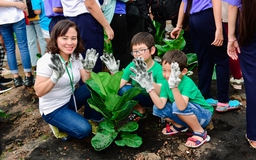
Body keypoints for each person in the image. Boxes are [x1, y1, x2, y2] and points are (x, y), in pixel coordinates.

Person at [130, 50, 213, 148]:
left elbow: (182, 107)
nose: (167, 75)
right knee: (157, 108)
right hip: (186, 114)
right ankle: (180, 125)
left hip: (203, 116)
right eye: (164, 70)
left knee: (176, 105)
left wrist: (174, 87)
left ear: (184, 71)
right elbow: (160, 105)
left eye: (171, 71)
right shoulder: (165, 83)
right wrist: (149, 87)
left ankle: (200, 132)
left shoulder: (187, 83)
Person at [170, 0, 240, 112]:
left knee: (204, 58)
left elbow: (184, 2)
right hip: (208, 17)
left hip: (194, 20)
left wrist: (179, 25)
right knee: (222, 58)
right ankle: (223, 101)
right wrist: (219, 29)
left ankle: (204, 97)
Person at [34, 20, 99, 139]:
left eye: (73, 38)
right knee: (84, 130)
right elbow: (39, 92)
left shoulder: (76, 56)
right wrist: (54, 77)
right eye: (64, 38)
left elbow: (86, 80)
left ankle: (91, 118)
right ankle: (58, 125)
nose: (70, 42)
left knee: (94, 87)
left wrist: (88, 69)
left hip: (70, 99)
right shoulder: (46, 61)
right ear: (56, 39)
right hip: (54, 109)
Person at [101, 32, 166, 121]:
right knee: (123, 90)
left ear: (152, 50)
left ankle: (164, 114)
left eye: (142, 50)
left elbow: (162, 92)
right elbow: (117, 85)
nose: (138, 54)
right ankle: (140, 110)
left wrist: (149, 82)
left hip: (156, 99)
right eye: (135, 51)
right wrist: (114, 73)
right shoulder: (132, 66)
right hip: (141, 97)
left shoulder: (159, 70)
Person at [224, 0, 256, 149]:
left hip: (249, 22)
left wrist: (231, 37)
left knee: (252, 80)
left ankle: (254, 134)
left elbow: (232, 5)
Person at [61, 0, 114, 73]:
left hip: (71, 18)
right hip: (86, 20)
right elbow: (90, 4)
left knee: (79, 60)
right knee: (91, 59)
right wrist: (107, 26)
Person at [0, 0, 34, 87]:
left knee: (9, 48)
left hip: (2, 19)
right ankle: (28, 77)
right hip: (17, 16)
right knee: (23, 47)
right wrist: (15, 4)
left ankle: (16, 78)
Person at [222, 1, 243, 90]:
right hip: (245, 14)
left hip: (227, 16)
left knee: (232, 48)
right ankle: (239, 77)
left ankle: (237, 79)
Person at [26, 0, 47, 73]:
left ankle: (36, 65)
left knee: (31, 42)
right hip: (38, 17)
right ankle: (45, 63)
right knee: (42, 40)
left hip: (27, 18)